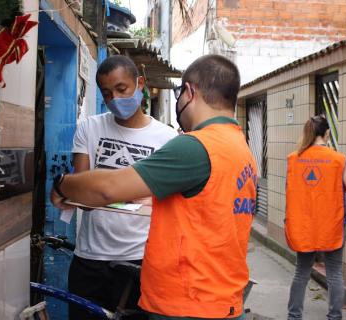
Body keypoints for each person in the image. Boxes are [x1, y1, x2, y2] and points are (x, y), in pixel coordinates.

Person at [51, 54, 258, 320]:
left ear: (189, 92)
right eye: (107, 93)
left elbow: (109, 188)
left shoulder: (194, 146)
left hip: (187, 303)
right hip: (220, 299)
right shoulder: (242, 150)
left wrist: (62, 184)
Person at [67, 55, 177, 320]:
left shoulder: (167, 138)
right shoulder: (88, 128)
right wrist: (134, 198)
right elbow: (79, 192)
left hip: (140, 260)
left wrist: (102, 194)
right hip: (90, 258)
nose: (115, 99)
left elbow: (166, 200)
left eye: (121, 89)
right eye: (107, 93)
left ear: (140, 83)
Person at [285, 116, 346, 320]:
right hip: (332, 225)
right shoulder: (339, 159)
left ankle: (294, 316)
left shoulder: (293, 158)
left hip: (304, 226)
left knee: (301, 272)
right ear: (327, 134)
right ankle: (334, 317)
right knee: (334, 273)